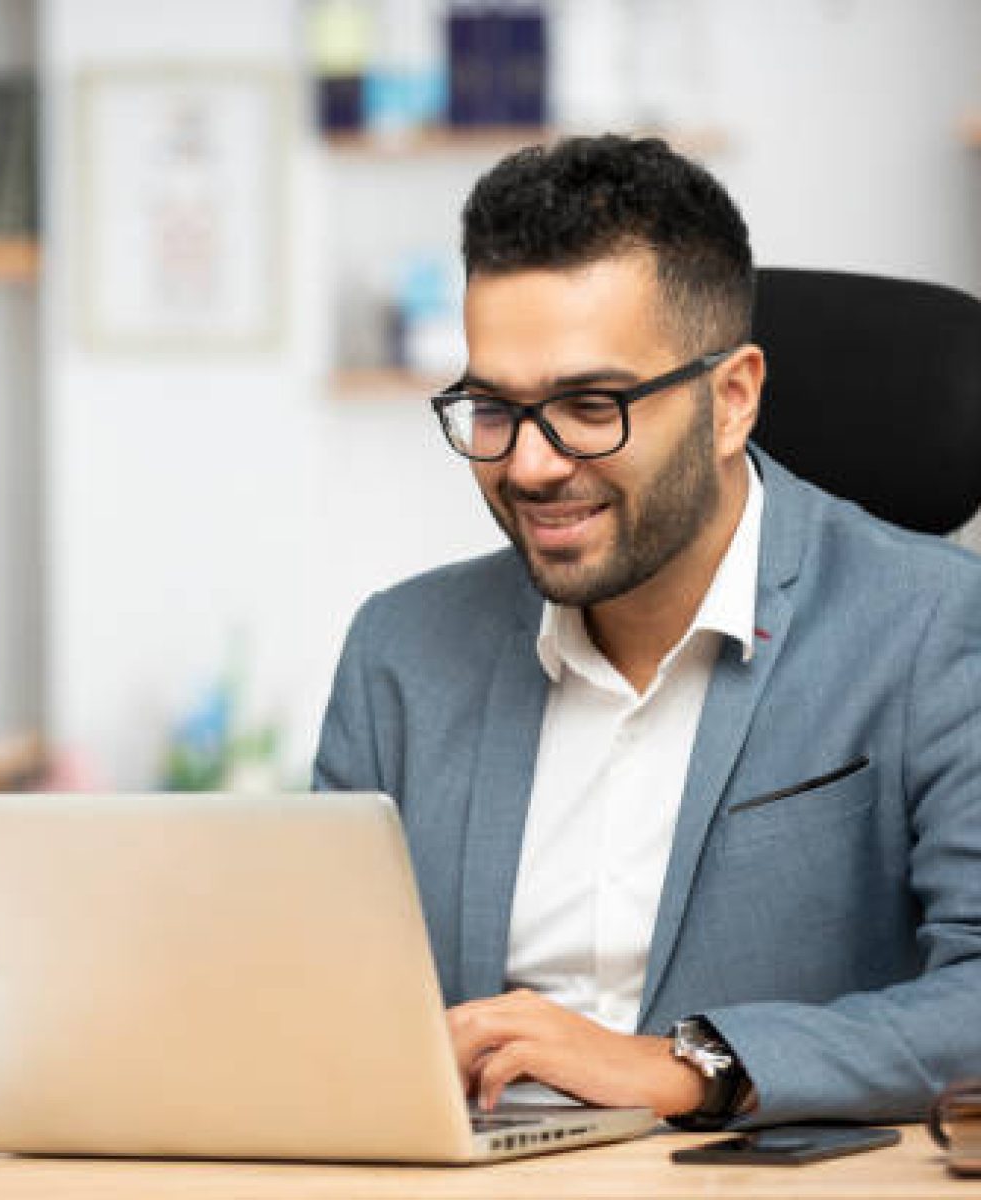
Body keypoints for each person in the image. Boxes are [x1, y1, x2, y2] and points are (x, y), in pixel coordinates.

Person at [313, 134, 981, 1130]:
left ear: (731, 400)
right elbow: (319, 998)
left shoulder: (932, 625)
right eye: (495, 407)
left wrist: (684, 1066)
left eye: (590, 406)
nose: (532, 466)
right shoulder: (399, 650)